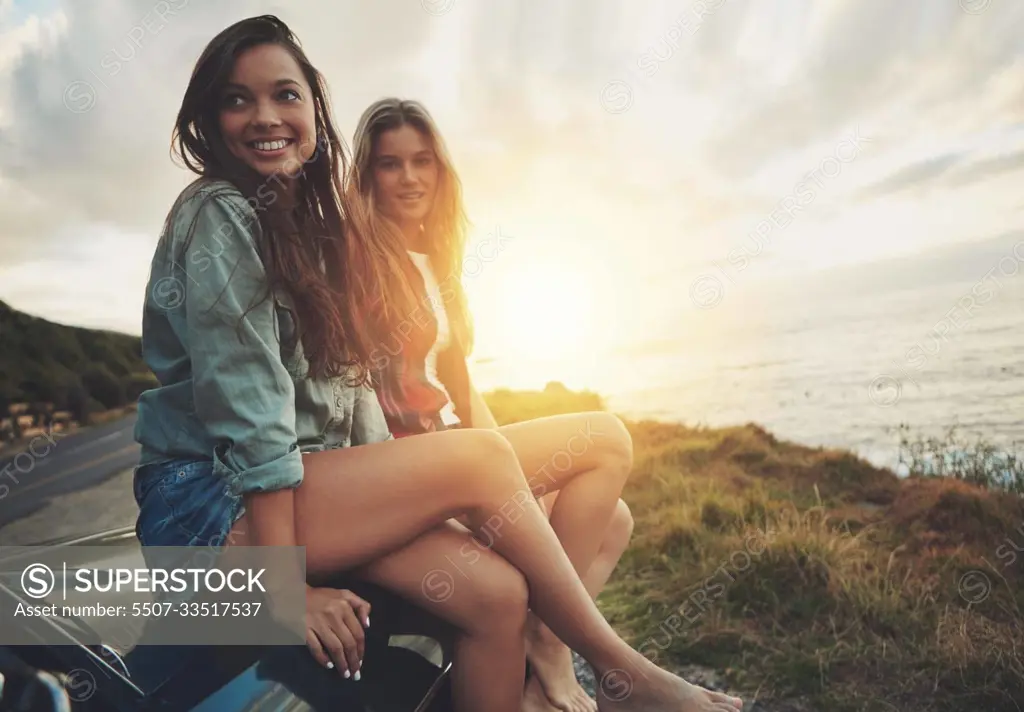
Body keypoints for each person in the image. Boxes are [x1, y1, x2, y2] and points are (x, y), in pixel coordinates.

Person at [133, 14, 744, 712]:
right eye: (236, 99)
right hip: (208, 508)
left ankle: (546, 663)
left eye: (285, 95)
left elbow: (350, 400)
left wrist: (403, 502)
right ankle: (620, 669)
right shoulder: (220, 214)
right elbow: (253, 417)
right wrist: (284, 592)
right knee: (476, 458)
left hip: (301, 490)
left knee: (497, 593)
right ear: (208, 120)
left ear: (313, 107)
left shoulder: (307, 229)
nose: (265, 116)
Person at [349, 96, 639, 712]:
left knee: (613, 519)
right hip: (411, 463)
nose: (408, 178)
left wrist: (515, 471)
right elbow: (359, 387)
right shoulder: (359, 259)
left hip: (460, 447)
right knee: (607, 437)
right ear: (367, 175)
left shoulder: (442, 263)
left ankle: (538, 664)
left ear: (440, 170)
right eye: (389, 164)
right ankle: (548, 643)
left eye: (422, 161)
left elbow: (461, 387)